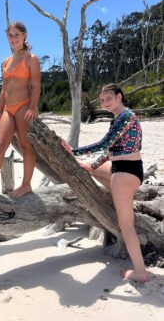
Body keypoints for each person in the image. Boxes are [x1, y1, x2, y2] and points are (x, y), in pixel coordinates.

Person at [62, 84, 151, 283]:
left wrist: (73, 151)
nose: (104, 103)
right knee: (91, 169)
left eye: (108, 99)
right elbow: (110, 151)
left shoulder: (125, 117)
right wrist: (91, 164)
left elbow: (103, 144)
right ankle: (120, 199)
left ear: (119, 97)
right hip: (123, 169)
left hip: (125, 174)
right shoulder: (119, 118)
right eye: (101, 100)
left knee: (126, 225)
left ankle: (141, 272)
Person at [0, 21, 41, 198]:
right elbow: (4, 88)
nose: (13, 38)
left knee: (26, 145)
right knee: (0, 145)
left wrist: (33, 106)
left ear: (24, 35)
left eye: (17, 34)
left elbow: (36, 85)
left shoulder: (31, 58)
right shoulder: (6, 61)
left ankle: (26, 185)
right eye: (10, 35)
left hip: (24, 105)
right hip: (8, 109)